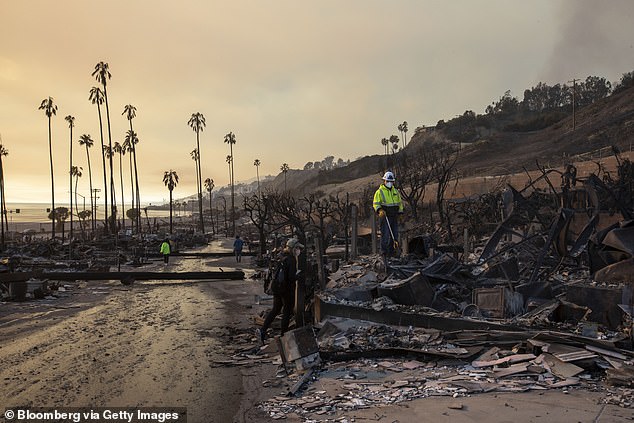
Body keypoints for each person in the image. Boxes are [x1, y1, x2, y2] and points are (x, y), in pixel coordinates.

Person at [258, 237, 304, 343]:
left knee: (275, 310)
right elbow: (291, 277)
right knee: (287, 312)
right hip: (286, 289)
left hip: (277, 288)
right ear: (292, 248)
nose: (298, 251)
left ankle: (263, 330)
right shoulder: (291, 260)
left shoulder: (282, 258)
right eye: (297, 248)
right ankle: (283, 336)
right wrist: (300, 276)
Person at [373, 171, 404, 257]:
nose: (389, 183)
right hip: (385, 216)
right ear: (384, 181)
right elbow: (376, 203)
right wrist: (379, 210)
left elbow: (400, 203)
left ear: (393, 182)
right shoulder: (379, 192)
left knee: (395, 234)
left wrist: (400, 213)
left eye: (391, 181)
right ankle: (384, 252)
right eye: (388, 181)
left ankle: (392, 252)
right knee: (385, 235)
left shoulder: (396, 192)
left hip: (394, 216)